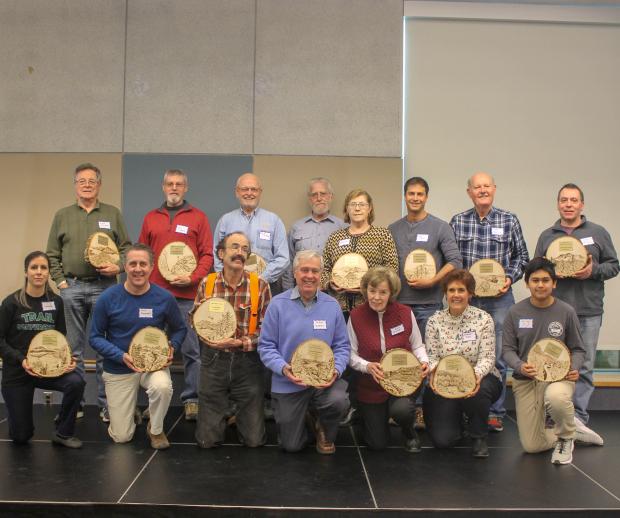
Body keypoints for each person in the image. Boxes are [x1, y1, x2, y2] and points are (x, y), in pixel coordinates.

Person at [46, 162, 131, 422]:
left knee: (106, 348)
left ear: (99, 185)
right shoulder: (62, 215)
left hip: (105, 288)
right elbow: (51, 254)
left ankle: (108, 405)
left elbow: (127, 249)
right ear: (75, 185)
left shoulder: (112, 213)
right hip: (72, 287)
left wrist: (116, 266)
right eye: (81, 181)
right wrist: (61, 283)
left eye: (91, 181)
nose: (86, 185)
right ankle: (75, 404)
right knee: (73, 350)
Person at [534, 183, 618, 439]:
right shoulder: (548, 235)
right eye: (563, 200)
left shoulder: (598, 232)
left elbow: (613, 266)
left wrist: (591, 272)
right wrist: (549, 273)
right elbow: (536, 269)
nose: (568, 204)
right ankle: (553, 417)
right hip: (554, 311)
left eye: (573, 200)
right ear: (558, 204)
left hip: (589, 310)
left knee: (585, 366)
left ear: (581, 204)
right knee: (551, 363)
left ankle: (578, 419)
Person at [502, 257, 603, 465]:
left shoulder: (566, 311)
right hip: (526, 380)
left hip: (559, 377)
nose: (540, 285)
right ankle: (572, 430)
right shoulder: (515, 312)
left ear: (554, 283)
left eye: (546, 280)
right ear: (527, 283)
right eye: (535, 280)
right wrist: (521, 366)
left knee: (556, 397)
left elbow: (578, 349)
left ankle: (565, 438)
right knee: (532, 447)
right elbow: (508, 350)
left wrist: (573, 367)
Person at [450, 172, 529, 433]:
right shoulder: (458, 221)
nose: (482, 190)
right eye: (477, 187)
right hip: (466, 301)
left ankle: (495, 412)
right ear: (469, 192)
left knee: (498, 356)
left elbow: (522, 257)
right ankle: (465, 408)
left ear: (494, 189)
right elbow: (452, 259)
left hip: (500, 299)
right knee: (462, 353)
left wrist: (509, 278)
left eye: (486, 186)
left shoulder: (509, 219)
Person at [90, 244, 187, 450]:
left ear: (151, 267)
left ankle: (156, 428)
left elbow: (180, 329)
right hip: (119, 367)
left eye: (143, 264)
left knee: (162, 386)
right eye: (132, 264)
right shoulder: (107, 298)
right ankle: (128, 411)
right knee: (122, 437)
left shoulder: (164, 298)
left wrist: (172, 346)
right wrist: (120, 355)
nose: (138, 269)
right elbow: (95, 337)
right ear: (124, 267)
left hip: (154, 365)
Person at [138, 168, 214, 421]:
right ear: (163, 187)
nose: (174, 188)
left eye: (179, 184)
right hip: (155, 296)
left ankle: (192, 399)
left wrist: (192, 278)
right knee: (154, 349)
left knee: (192, 351)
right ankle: (156, 400)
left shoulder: (198, 218)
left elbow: (207, 255)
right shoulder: (151, 218)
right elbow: (142, 255)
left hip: (187, 296)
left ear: (186, 188)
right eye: (170, 184)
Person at [259, 250, 350, 454]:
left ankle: (323, 426)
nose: (310, 275)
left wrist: (335, 370)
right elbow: (266, 346)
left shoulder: (332, 305)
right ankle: (308, 416)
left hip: (324, 382)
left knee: (338, 401)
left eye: (315, 271)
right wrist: (284, 369)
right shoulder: (277, 305)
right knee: (292, 446)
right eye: (304, 270)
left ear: (321, 275)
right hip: (288, 382)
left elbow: (343, 347)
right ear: (294, 273)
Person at [389, 176, 462, 429]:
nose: (415, 198)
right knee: (400, 356)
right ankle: (400, 405)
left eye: (420, 194)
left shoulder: (440, 227)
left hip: (428, 305)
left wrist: (433, 281)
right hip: (398, 306)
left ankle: (419, 409)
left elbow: (455, 261)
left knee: (425, 359)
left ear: (426, 197)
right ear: (405, 196)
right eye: (411, 193)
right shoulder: (393, 229)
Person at [192, 232, 271, 448]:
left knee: (254, 441)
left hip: (248, 361)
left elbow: (268, 330)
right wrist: (209, 337)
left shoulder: (260, 285)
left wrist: (241, 342)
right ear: (221, 253)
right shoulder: (207, 284)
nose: (240, 253)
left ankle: (240, 417)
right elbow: (195, 320)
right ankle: (220, 418)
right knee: (206, 442)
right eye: (234, 247)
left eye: (245, 249)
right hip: (213, 360)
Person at [0, 251, 85, 448]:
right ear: (26, 272)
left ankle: (63, 432)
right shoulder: (11, 303)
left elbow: (60, 338)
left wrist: (67, 359)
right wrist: (21, 360)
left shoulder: (55, 302)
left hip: (47, 368)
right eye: (34, 267)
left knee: (76, 382)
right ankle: (18, 422)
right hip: (18, 372)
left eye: (43, 268)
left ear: (48, 273)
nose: (39, 272)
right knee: (21, 437)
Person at [348, 267, 429, 452]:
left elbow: (417, 346)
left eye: (383, 292)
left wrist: (424, 362)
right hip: (371, 385)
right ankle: (369, 416)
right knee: (377, 444)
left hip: (403, 383)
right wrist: (367, 366)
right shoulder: (356, 316)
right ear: (365, 290)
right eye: (372, 291)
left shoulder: (405, 313)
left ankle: (409, 431)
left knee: (401, 410)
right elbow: (350, 354)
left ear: (391, 292)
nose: (376, 297)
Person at [423, 269, 502, 458]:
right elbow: (432, 357)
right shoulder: (434, 322)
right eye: (451, 290)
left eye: (461, 290)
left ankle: (478, 436)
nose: (456, 295)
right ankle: (458, 420)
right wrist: (433, 374)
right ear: (445, 293)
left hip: (481, 377)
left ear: (470, 294)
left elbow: (488, 358)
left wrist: (473, 377)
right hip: (445, 380)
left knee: (479, 392)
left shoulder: (483, 319)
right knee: (443, 441)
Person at [321, 189, 399, 318]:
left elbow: (392, 268)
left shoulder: (382, 235)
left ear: (370, 209)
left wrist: (370, 286)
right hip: (339, 308)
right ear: (347, 209)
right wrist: (330, 283)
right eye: (353, 204)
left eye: (362, 204)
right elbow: (325, 269)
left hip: (372, 305)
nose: (357, 209)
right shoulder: (335, 237)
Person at [213, 173, 289, 295]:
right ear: (237, 192)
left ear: (260, 192)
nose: (249, 193)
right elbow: (217, 255)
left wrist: (261, 279)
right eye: (244, 189)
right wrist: (226, 279)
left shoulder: (274, 221)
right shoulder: (225, 221)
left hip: (265, 286)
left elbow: (283, 258)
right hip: (231, 287)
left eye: (254, 189)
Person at [282, 177, 346, 290]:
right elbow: (288, 264)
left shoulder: (343, 228)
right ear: (310, 199)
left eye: (323, 194)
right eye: (314, 195)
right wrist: (288, 293)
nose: (319, 198)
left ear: (330, 196)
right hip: (302, 291)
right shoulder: (297, 227)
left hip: (333, 293)